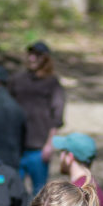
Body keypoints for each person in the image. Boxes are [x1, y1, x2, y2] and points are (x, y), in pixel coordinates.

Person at [8, 41, 65, 196]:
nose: (32, 58)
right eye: (30, 54)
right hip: (17, 145)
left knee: (38, 193)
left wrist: (49, 144)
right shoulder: (17, 79)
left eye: (37, 55)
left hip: (39, 148)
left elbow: (57, 115)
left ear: (45, 59)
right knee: (13, 190)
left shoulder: (52, 83)